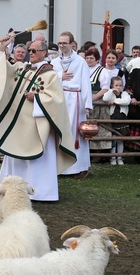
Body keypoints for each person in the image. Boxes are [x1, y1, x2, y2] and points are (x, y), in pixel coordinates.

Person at [0, 36, 76, 202]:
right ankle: (10, 189)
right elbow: (2, 72)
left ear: (44, 52)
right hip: (18, 124)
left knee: (38, 159)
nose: (30, 53)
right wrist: (2, 49)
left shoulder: (51, 75)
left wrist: (38, 98)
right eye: (29, 50)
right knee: (15, 153)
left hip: (37, 125)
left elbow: (57, 101)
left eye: (34, 51)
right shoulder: (23, 68)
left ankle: (41, 192)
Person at [51, 32, 93, 179]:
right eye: (60, 43)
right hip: (60, 99)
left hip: (75, 100)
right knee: (60, 132)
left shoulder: (80, 61)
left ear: (71, 44)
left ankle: (79, 168)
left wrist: (88, 104)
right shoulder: (55, 62)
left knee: (76, 134)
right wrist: (59, 76)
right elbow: (48, 79)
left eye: (65, 43)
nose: (62, 46)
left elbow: (85, 83)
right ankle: (61, 168)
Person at [85, 48, 112, 156]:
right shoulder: (83, 69)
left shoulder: (102, 71)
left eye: (92, 58)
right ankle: (87, 151)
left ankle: (98, 153)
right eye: (87, 58)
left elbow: (105, 88)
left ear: (97, 60)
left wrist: (93, 98)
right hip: (84, 101)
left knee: (98, 127)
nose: (89, 60)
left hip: (97, 101)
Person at [103, 76, 130, 165]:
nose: (118, 87)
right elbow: (105, 98)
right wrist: (111, 91)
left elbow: (126, 101)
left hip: (122, 118)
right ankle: (113, 157)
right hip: (113, 118)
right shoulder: (110, 93)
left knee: (120, 139)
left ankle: (120, 157)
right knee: (113, 139)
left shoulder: (125, 94)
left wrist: (115, 101)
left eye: (120, 85)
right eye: (116, 85)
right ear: (112, 85)